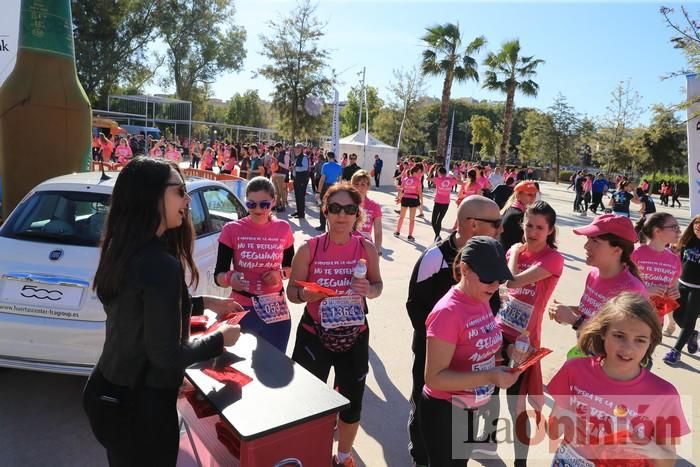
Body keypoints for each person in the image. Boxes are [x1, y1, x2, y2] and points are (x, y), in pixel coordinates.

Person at [83, 157, 242, 466]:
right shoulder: (159, 263)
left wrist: (204, 302)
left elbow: (137, 310)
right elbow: (166, 355)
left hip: (108, 394)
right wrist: (221, 338)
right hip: (140, 409)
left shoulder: (123, 247)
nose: (187, 199)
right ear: (150, 195)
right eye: (180, 191)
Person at [286, 183, 382, 467]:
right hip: (313, 335)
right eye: (336, 208)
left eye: (349, 209)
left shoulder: (366, 248)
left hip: (354, 335)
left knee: (352, 403)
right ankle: (309, 453)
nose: (342, 215)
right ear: (326, 211)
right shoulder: (309, 249)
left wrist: (369, 290)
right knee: (307, 401)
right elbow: (291, 292)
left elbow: (378, 286)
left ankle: (343, 456)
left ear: (357, 214)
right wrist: (305, 294)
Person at [405, 195, 503, 467]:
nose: (501, 228)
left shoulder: (491, 259)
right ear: (472, 225)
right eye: (496, 223)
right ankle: (421, 457)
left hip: (474, 369)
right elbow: (415, 307)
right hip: (434, 358)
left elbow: (492, 307)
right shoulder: (434, 257)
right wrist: (448, 341)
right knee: (425, 416)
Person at [548, 293, 689, 466]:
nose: (628, 348)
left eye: (640, 340)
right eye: (619, 336)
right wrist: (563, 418)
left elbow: (667, 461)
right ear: (603, 333)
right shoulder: (575, 370)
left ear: (651, 342)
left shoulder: (663, 395)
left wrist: (650, 448)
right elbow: (552, 432)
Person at [420, 236, 521, 467]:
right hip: (444, 412)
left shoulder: (481, 297)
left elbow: (479, 344)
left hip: (470, 406)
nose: (495, 285)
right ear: (464, 269)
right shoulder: (447, 313)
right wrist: (489, 376)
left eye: (500, 278)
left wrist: (508, 350)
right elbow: (434, 378)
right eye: (488, 278)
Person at [493, 201, 564, 465]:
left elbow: (512, 280)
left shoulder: (553, 258)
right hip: (497, 332)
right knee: (487, 397)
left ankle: (520, 462)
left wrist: (513, 251)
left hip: (524, 342)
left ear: (550, 230)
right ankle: (486, 443)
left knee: (517, 408)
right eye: (529, 225)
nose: (532, 232)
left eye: (539, 227)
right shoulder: (515, 250)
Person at [214, 177, 295, 352]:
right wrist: (230, 277)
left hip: (275, 309)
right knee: (236, 367)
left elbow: (291, 269)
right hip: (241, 306)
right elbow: (218, 276)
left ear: (273, 201)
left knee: (274, 365)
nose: (258, 209)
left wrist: (279, 275)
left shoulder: (284, 228)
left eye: (264, 205)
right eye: (251, 205)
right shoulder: (231, 229)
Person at [548, 214, 648, 336]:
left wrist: (574, 320)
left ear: (617, 250)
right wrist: (566, 311)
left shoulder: (632, 290)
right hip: (585, 351)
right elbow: (589, 313)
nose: (586, 246)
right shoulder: (593, 275)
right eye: (588, 239)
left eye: (595, 241)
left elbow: (622, 338)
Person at [633, 213, 681, 337]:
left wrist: (673, 293)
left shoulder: (674, 259)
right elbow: (620, 287)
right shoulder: (636, 254)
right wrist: (646, 291)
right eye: (674, 227)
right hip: (632, 313)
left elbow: (673, 289)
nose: (679, 231)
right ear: (657, 231)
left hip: (656, 319)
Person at [663, 214, 700, 365]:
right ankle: (692, 334)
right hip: (681, 284)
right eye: (696, 223)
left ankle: (675, 352)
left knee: (690, 319)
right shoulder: (687, 241)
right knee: (677, 315)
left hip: (698, 290)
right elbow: (678, 260)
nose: (698, 226)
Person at [500, 180, 539, 252]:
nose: (533, 198)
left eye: (535, 195)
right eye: (529, 194)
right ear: (518, 195)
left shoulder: (510, 208)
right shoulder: (518, 216)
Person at [351, 170, 383, 254]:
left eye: (363, 184)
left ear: (368, 186)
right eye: (356, 184)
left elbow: (378, 232)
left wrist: (377, 250)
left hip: (365, 247)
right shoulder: (346, 203)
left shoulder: (374, 206)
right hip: (347, 245)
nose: (359, 187)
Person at [316, 151, 343, 231]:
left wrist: (318, 191)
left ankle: (322, 225)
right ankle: (333, 226)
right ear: (334, 157)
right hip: (335, 187)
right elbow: (340, 180)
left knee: (323, 205)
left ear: (327, 157)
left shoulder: (325, 165)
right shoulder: (339, 166)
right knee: (334, 206)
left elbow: (322, 179)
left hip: (326, 187)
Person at [429, 167, 459, 241]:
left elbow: (428, 179)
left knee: (433, 221)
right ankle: (437, 236)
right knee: (439, 221)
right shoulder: (450, 180)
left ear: (439, 173)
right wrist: (453, 176)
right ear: (446, 173)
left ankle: (437, 235)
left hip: (438, 202)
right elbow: (460, 181)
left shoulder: (437, 179)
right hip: (446, 203)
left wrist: (431, 170)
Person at [394, 165, 422, 242]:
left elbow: (401, 190)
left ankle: (397, 232)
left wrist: (399, 198)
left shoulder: (405, 179)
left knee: (401, 217)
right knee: (412, 219)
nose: (420, 174)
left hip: (405, 198)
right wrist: (421, 202)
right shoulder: (417, 180)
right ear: (414, 173)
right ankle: (410, 235)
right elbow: (420, 192)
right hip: (413, 199)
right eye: (419, 172)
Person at [291, 143, 310, 219]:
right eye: (295, 147)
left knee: (300, 196)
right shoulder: (297, 156)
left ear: (301, 149)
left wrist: (295, 168)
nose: (296, 149)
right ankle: (299, 211)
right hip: (297, 179)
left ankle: (301, 214)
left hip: (301, 180)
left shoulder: (304, 157)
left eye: (298, 148)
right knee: (297, 196)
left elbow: (305, 168)